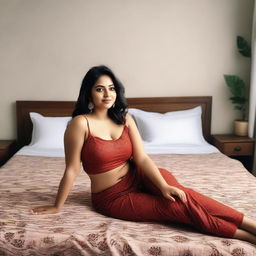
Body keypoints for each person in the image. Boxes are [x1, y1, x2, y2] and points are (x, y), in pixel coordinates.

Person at [32, 65, 256, 244]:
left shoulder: (125, 119)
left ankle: (250, 225)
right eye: (100, 88)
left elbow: (142, 158)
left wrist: (163, 186)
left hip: (141, 176)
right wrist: (57, 206)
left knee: (183, 195)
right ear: (89, 92)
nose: (107, 94)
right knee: (175, 208)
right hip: (113, 197)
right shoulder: (80, 124)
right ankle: (244, 236)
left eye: (111, 88)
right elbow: (72, 169)